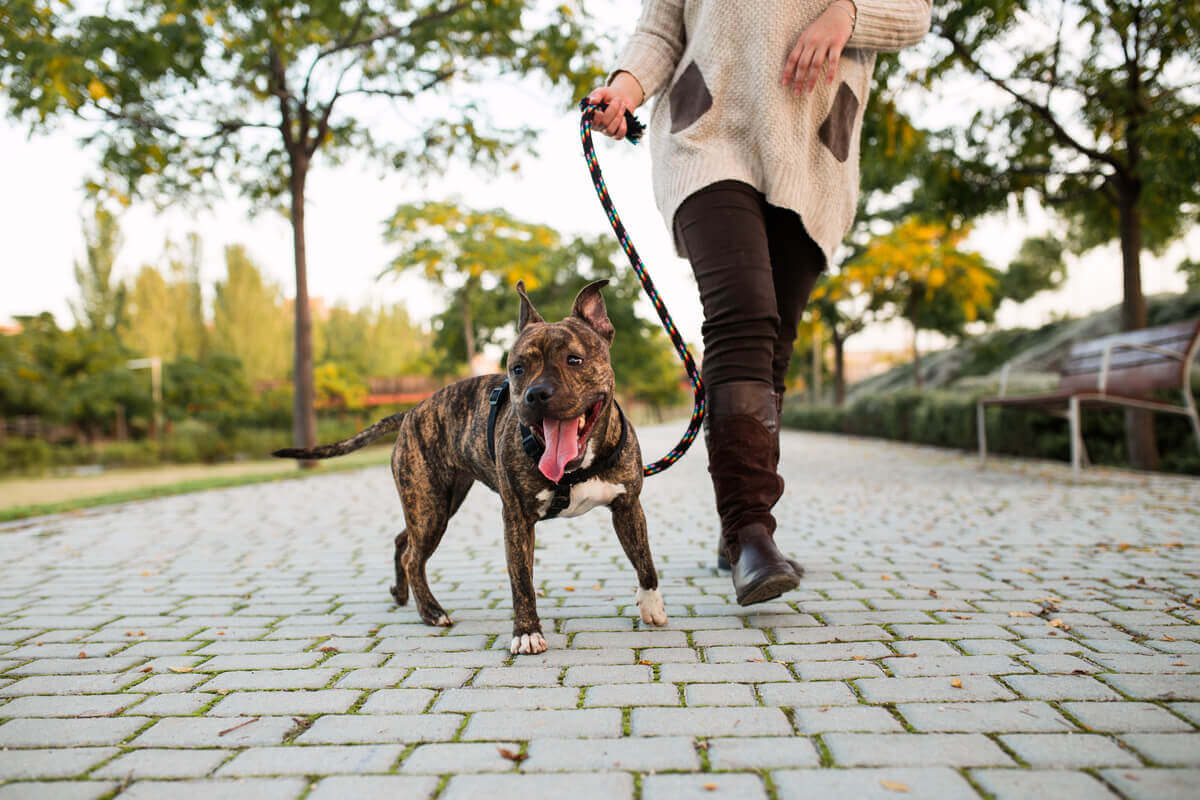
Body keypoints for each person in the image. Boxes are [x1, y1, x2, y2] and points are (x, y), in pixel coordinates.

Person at [587, 1, 931, 605]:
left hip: (814, 139)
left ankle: (736, 532)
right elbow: (662, 26)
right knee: (743, 313)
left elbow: (914, 10)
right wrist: (625, 88)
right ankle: (750, 531)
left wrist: (847, 15)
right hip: (708, 131)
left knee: (774, 342)